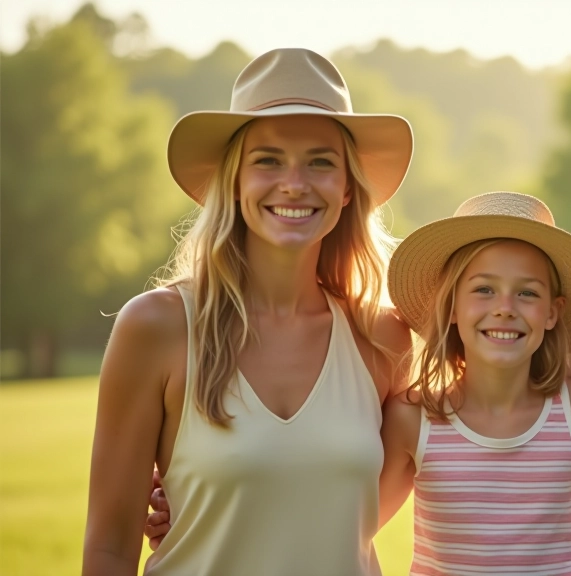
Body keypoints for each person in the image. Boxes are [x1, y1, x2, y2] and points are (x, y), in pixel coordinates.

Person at [83, 48, 415, 576]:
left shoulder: (383, 336)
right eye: (268, 160)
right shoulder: (156, 328)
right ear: (234, 181)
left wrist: (551, 536)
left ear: (347, 188)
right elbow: (108, 550)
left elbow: (451, 455)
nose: (294, 183)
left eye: (320, 161)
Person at [376, 191, 571, 575]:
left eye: (527, 292)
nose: (505, 307)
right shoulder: (413, 416)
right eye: (484, 289)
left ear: (553, 313)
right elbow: (360, 526)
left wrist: (549, 532)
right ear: (452, 306)